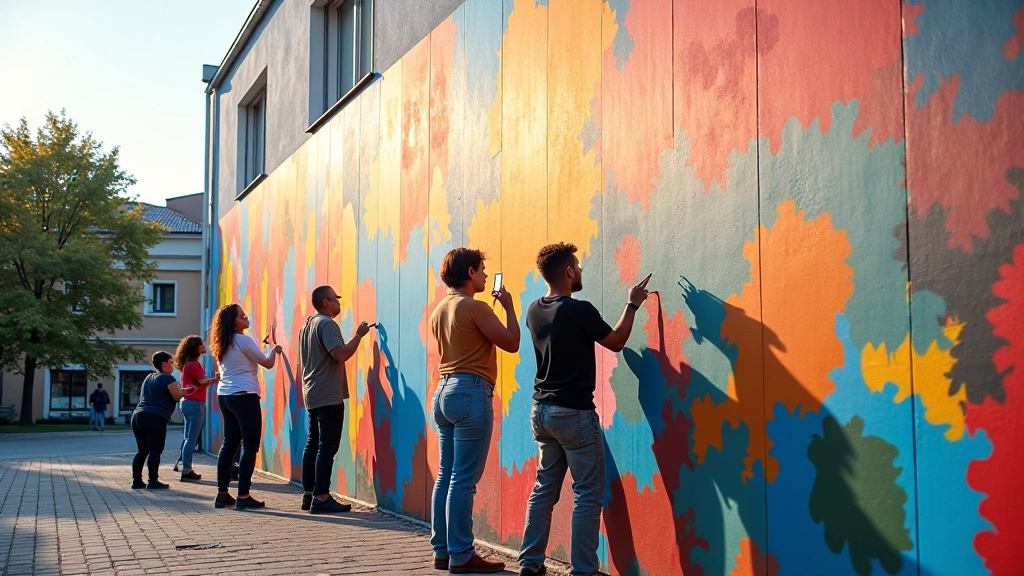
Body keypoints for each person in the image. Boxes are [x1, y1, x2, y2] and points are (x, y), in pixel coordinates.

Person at [517, 242, 650, 576]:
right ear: (568, 272)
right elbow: (616, 340)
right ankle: (584, 570)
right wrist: (632, 305)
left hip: (541, 412)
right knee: (587, 493)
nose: (580, 270)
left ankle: (529, 563)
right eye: (577, 264)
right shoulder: (579, 310)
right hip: (573, 413)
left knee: (544, 489)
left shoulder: (533, 310)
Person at [428, 247, 520, 574]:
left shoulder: (439, 309)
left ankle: (443, 551)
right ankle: (463, 555)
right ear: (470, 273)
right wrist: (508, 307)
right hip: (471, 391)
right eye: (481, 270)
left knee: (446, 475)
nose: (484, 276)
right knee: (464, 478)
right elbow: (511, 342)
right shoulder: (475, 307)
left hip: (443, 392)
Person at [298, 286, 371, 514]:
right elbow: (340, 354)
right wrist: (358, 335)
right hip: (328, 393)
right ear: (326, 302)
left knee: (313, 443)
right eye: (336, 298)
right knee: (326, 446)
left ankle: (309, 494)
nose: (339, 302)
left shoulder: (307, 324)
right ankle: (321, 497)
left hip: (312, 392)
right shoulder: (326, 323)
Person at [208, 303, 281, 510]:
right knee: (250, 446)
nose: (246, 317)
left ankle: (222, 494)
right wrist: (274, 350)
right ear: (234, 322)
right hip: (244, 396)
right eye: (242, 315)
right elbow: (267, 363)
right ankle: (243, 495)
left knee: (229, 445)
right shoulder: (243, 340)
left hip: (225, 396)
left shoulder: (221, 343)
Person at [131, 351, 196, 490]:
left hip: (137, 416)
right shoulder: (167, 378)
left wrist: (183, 390)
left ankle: (137, 481)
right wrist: (190, 390)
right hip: (154, 417)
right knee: (155, 450)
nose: (172, 364)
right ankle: (152, 481)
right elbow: (177, 395)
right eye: (170, 361)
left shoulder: (149, 377)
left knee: (142, 451)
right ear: (164, 363)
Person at [173, 335, 219, 481]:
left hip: (187, 402)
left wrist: (201, 384)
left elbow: (198, 383)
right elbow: (202, 381)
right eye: (201, 345)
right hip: (196, 404)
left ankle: (182, 465)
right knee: (192, 439)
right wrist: (216, 379)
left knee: (188, 437)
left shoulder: (187, 363)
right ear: (195, 348)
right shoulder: (194, 364)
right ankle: (187, 470)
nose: (204, 347)